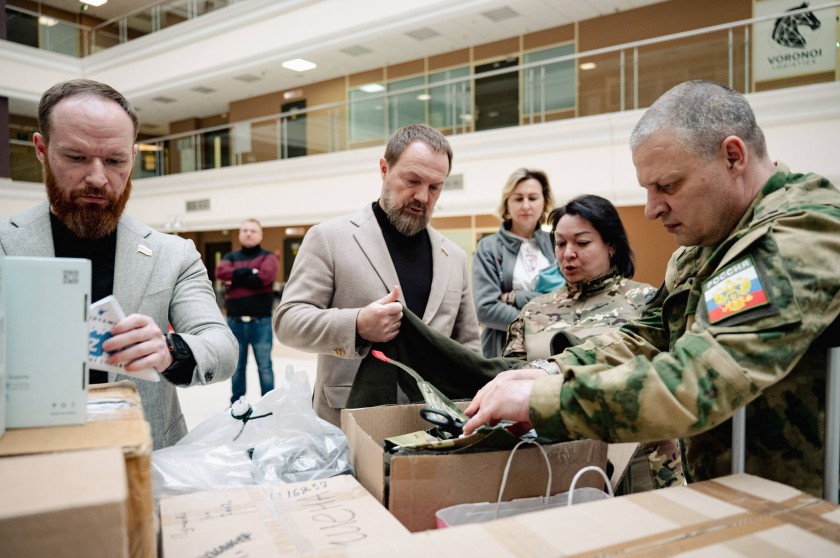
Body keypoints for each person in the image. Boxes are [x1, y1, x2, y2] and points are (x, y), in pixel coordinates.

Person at [463, 80, 840, 498]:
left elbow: (700, 380)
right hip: (728, 493)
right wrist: (547, 369)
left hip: (803, 506)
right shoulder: (702, 248)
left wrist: (545, 400)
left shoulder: (800, 233)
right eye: (647, 188)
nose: (651, 208)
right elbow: (646, 337)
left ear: (733, 157)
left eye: (668, 186)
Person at [0, 79, 238, 450]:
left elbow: (221, 347)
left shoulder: (173, 254)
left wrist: (170, 350)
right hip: (27, 458)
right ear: (42, 150)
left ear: (133, 155)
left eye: (115, 161)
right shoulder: (4, 244)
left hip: (148, 456)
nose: (98, 178)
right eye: (76, 158)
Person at [274, 124, 481, 426]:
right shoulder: (329, 238)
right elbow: (288, 321)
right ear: (384, 169)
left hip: (433, 424)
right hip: (349, 422)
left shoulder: (455, 257)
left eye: (435, 186)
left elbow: (467, 347)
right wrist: (357, 325)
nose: (423, 196)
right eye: (412, 180)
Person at [502, 194, 682, 490]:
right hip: (559, 463)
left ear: (611, 245)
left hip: (641, 464)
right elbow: (513, 376)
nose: (568, 253)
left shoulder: (646, 302)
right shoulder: (534, 311)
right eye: (560, 243)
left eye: (582, 243)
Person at [473, 168, 556, 358]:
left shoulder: (556, 243)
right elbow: (486, 309)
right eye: (518, 198)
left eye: (533, 198)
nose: (526, 205)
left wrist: (516, 297)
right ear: (507, 204)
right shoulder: (489, 247)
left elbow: (565, 298)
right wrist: (542, 322)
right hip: (504, 351)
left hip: (552, 351)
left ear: (544, 203)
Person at [215, 219, 279, 404]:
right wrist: (251, 272)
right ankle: (237, 404)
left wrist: (234, 277)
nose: (249, 233)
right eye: (245, 230)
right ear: (240, 234)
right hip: (235, 322)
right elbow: (221, 272)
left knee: (265, 366)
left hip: (261, 323)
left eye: (253, 230)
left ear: (260, 235)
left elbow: (265, 277)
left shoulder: (268, 257)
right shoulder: (230, 256)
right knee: (237, 366)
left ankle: (268, 405)